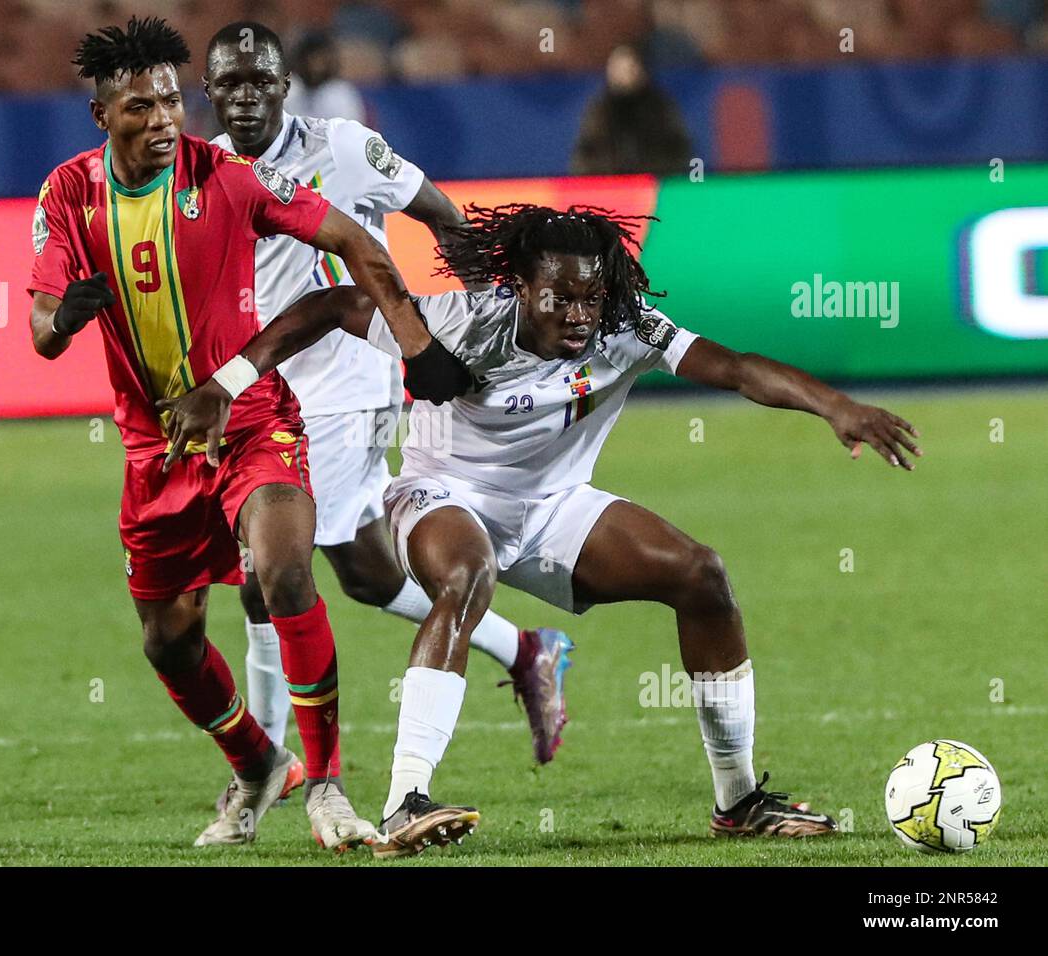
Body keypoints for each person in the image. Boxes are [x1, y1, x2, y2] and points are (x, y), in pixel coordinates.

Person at [162, 202, 923, 858]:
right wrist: (231, 383)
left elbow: (734, 367)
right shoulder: (462, 319)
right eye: (559, 297)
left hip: (556, 505)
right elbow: (328, 307)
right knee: (466, 575)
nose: (579, 314)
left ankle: (739, 801)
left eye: (591, 297)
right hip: (440, 495)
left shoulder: (626, 325)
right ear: (519, 287)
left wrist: (835, 406)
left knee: (704, 578)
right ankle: (406, 800)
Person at [26, 15, 463, 852]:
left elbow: (347, 235)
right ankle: (260, 763)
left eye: (169, 101)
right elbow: (42, 328)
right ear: (101, 117)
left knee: (284, 572)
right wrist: (66, 318)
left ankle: (328, 788)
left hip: (252, 420)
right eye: (139, 107)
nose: (162, 119)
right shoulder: (68, 196)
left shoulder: (224, 177)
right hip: (156, 451)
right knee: (169, 640)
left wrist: (415, 340)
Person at [203, 21, 573, 805]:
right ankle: (526, 648)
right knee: (365, 574)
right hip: (265, 388)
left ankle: (263, 771)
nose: (243, 97)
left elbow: (440, 211)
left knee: (265, 577)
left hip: (347, 385)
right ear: (209, 93)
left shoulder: (341, 148)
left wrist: (483, 327)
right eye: (227, 83)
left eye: (257, 81)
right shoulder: (200, 173)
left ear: (282, 86)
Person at [571, 44, 693, 177]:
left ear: (642, 71)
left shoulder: (661, 109)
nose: (624, 75)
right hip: (609, 189)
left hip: (654, 186)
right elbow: (585, 156)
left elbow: (679, 152)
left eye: (630, 68)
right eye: (618, 69)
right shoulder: (599, 112)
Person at [283, 30, 366, 124]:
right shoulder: (289, 90)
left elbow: (350, 134)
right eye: (309, 59)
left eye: (320, 60)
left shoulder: (342, 95)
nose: (314, 67)